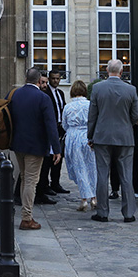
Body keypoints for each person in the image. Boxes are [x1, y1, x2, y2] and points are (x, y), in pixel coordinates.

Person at [87, 58, 138, 223]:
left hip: (102, 136)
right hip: (124, 137)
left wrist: (90, 136)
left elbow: (92, 116)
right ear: (121, 72)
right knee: (126, 176)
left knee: (102, 175)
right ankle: (129, 213)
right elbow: (136, 117)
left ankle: (103, 213)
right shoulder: (131, 90)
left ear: (106, 70)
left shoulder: (97, 88)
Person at [9, 66, 61, 230]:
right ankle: (26, 217)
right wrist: (57, 148)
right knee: (31, 180)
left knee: (25, 177)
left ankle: (26, 212)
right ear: (39, 81)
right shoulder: (43, 98)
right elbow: (51, 126)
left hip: (18, 144)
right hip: (36, 145)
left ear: (26, 79)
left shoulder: (15, 94)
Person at [62, 80, 97, 211]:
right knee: (91, 167)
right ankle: (94, 197)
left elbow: (64, 124)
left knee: (79, 168)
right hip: (87, 135)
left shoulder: (68, 107)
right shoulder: (90, 105)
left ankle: (84, 199)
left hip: (73, 136)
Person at [40, 69, 70, 196]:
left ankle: (56, 183)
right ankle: (45, 185)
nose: (55, 81)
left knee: (59, 156)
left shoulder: (60, 93)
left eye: (58, 78)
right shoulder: (45, 93)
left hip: (60, 127)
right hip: (50, 128)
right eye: (53, 78)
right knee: (48, 159)